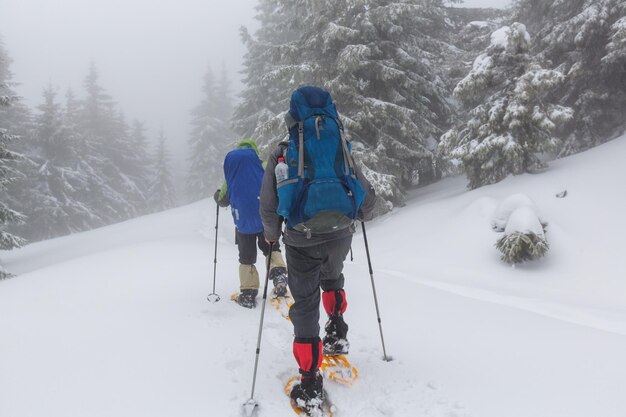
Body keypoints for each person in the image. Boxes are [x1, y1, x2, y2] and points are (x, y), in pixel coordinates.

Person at [259, 87, 376, 412]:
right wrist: (362, 214)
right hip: (340, 233)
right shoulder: (339, 144)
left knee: (306, 304)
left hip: (301, 239)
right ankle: (337, 331)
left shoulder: (282, 151)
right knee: (333, 277)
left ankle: (310, 381)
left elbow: (269, 205)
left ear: (292, 116)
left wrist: (270, 235)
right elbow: (362, 188)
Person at [214, 139, 289, 309]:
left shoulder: (232, 175)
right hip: (265, 217)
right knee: (271, 247)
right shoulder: (262, 165)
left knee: (246, 256)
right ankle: (279, 275)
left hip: (243, 220)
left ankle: (248, 293)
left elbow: (223, 200)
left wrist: (216, 196)